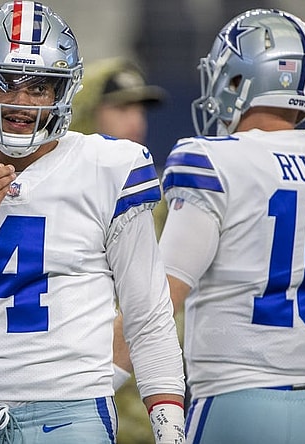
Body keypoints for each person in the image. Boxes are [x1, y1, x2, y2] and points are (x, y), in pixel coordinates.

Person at [0, 2, 185, 444]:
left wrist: (170, 428)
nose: (20, 102)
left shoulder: (111, 166)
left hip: (74, 415)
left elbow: (148, 315)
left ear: (64, 91)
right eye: (3, 81)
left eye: (40, 86)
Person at [158, 9, 305, 443]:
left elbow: (154, 305)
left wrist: (94, 389)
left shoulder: (212, 160)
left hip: (236, 403)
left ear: (239, 79)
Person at [71, 57, 174, 444]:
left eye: (139, 109)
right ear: (86, 112)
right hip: (64, 399)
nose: (136, 121)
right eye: (121, 107)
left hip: (138, 405)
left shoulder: (156, 201)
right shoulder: (49, 196)